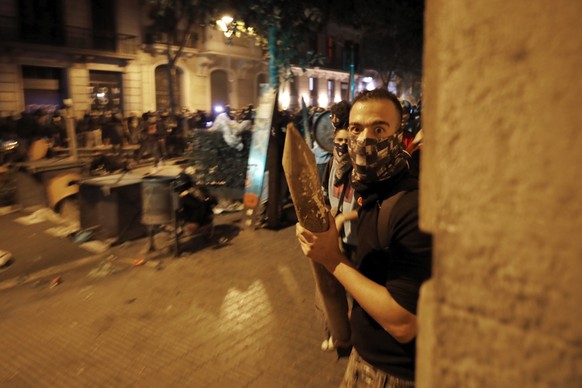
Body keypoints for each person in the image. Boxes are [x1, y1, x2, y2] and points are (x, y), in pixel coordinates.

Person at [296, 89, 432, 386]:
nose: (364, 139)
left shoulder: (412, 207)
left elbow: (403, 322)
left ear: (399, 137)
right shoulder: (377, 188)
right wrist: (346, 218)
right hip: (365, 357)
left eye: (379, 129)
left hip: (390, 375)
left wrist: (332, 258)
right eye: (356, 129)